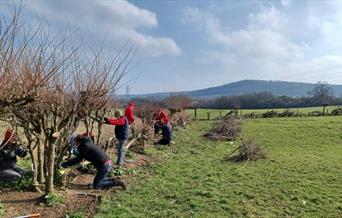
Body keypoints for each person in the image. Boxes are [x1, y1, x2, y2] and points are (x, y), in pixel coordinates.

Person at [61, 133, 126, 189]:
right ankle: (114, 179)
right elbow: (82, 155)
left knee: (97, 185)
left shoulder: (86, 146)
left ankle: (116, 183)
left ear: (77, 141)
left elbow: (78, 159)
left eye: (74, 142)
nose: (74, 144)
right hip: (106, 163)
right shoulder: (86, 143)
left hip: (105, 165)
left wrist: (65, 164)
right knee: (100, 180)